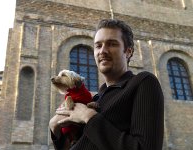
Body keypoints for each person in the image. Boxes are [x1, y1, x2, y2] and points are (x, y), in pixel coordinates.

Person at [49, 19, 164, 150]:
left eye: (112, 44)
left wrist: (88, 117)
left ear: (128, 51)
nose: (102, 51)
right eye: (98, 46)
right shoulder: (96, 98)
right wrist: (55, 129)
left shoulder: (143, 82)